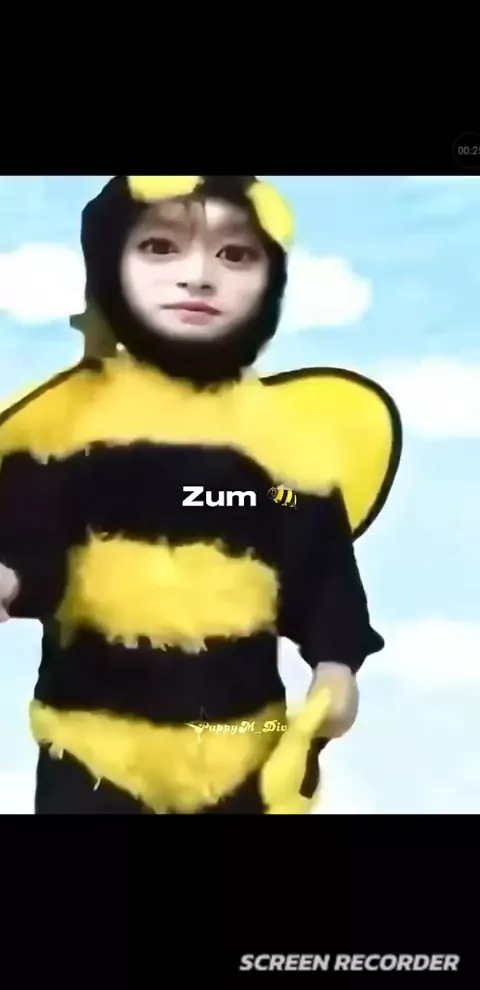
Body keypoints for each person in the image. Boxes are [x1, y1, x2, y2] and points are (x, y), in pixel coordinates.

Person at [0, 175, 402, 814]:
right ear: (107, 264)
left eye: (235, 253)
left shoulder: (284, 446)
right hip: (91, 749)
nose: (198, 276)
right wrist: (12, 578)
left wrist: (336, 661)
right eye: (160, 247)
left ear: (272, 280)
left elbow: (318, 564)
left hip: (243, 743)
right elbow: (34, 542)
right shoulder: (63, 427)